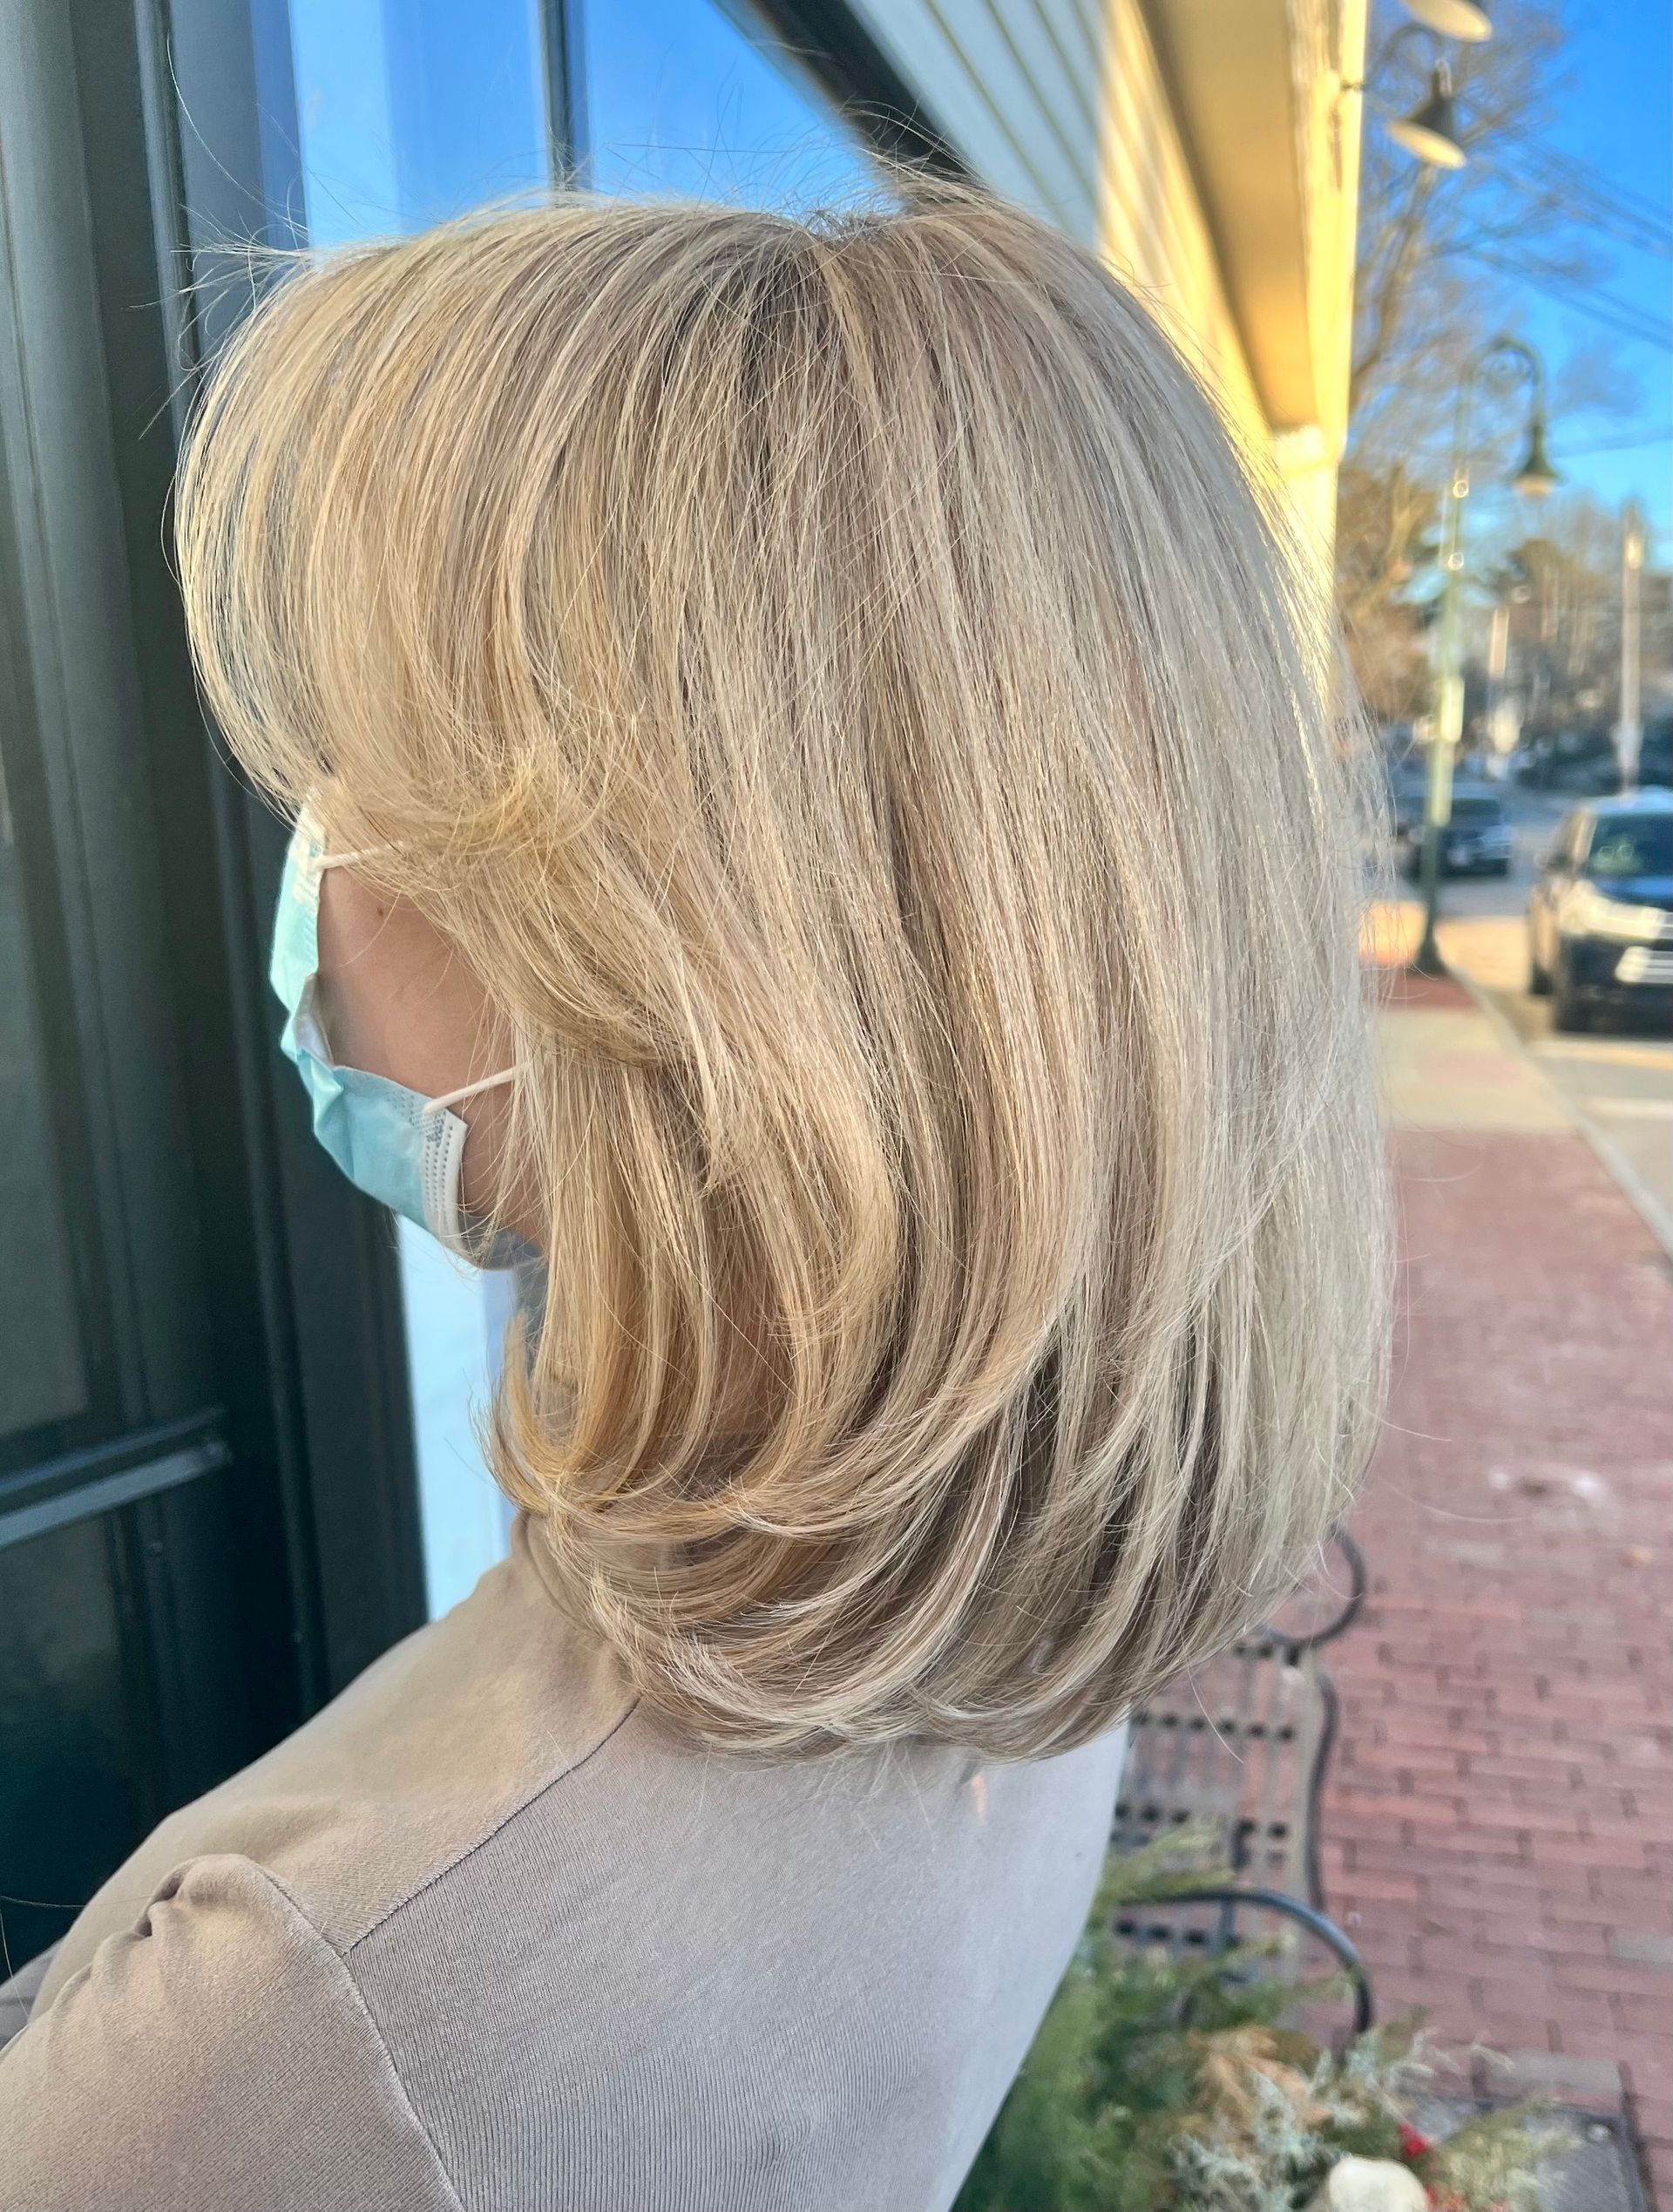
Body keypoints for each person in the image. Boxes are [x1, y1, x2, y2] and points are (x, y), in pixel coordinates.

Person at [0, 184, 1388, 2210]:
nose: (317, 873)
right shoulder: (1009, 1620)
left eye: (355, 785)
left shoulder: (313, 2029)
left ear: (670, 967)